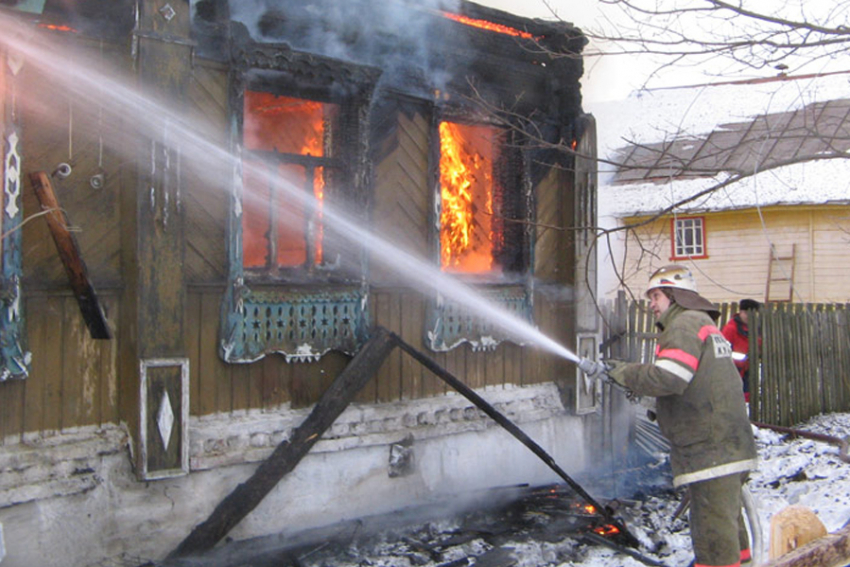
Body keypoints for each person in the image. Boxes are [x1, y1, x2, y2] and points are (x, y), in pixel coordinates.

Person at [590, 264, 758, 567]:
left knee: (713, 537)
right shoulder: (703, 323)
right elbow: (695, 384)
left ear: (674, 295)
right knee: (728, 529)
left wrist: (624, 372)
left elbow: (671, 377)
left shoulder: (682, 325)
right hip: (727, 444)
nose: (651, 304)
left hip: (710, 450)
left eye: (655, 296)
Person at [722, 299, 761, 403]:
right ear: (740, 312)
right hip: (732, 369)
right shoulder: (730, 329)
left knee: (747, 397)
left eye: (751, 313)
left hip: (749, 369)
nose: (747, 316)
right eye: (745, 313)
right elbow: (723, 351)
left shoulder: (757, 330)